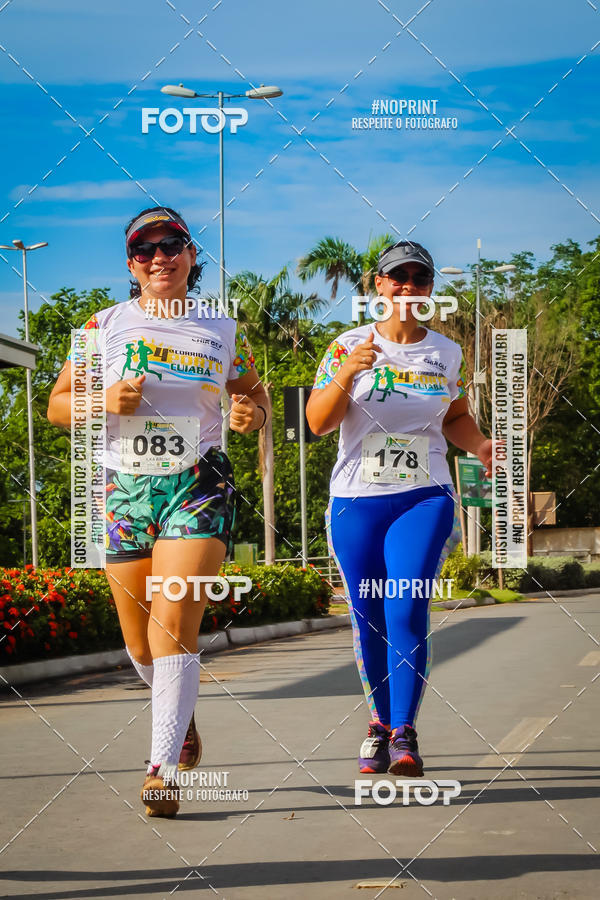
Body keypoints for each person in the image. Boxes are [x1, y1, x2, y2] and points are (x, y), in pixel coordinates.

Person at [47, 206, 269, 817]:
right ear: (130, 265)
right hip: (124, 491)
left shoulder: (221, 328)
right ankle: (182, 717)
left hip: (198, 483)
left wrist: (254, 414)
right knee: (141, 647)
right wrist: (102, 400)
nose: (159, 258)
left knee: (173, 625)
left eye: (171, 245)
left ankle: (161, 769)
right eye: (144, 251)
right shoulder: (102, 327)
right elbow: (57, 406)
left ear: (191, 255)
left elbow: (250, 393)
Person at [306, 240, 492, 777]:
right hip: (356, 501)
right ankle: (378, 725)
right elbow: (318, 423)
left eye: (419, 278)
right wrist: (347, 372)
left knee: (405, 607)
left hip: (424, 494)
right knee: (367, 618)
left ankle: (405, 732)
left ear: (430, 289)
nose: (408, 287)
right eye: (397, 277)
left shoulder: (446, 352)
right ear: (378, 286)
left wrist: (477, 444)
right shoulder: (346, 345)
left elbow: (454, 417)